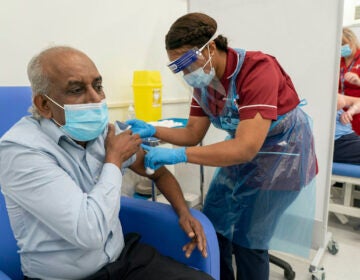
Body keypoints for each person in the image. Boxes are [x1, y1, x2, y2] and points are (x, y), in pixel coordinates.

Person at [126, 12, 317, 280]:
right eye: (178, 67)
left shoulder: (258, 69)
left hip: (281, 156)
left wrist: (178, 155)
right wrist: (152, 128)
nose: (186, 73)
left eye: (187, 62)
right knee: (215, 223)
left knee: (249, 239)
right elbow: (193, 133)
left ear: (211, 48)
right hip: (241, 152)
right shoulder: (203, 82)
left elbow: (246, 148)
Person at [0, 46, 214, 280]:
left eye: (98, 86)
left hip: (122, 260)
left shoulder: (103, 132)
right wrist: (113, 160)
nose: (95, 98)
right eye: (77, 89)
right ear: (44, 105)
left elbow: (157, 172)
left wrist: (183, 212)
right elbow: (89, 231)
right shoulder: (21, 151)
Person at [339, 27, 360, 135]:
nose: (342, 47)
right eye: (340, 44)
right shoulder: (338, 61)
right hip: (342, 111)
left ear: (352, 41)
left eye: (344, 43)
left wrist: (358, 81)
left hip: (357, 108)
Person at [334, 93, 360, 163]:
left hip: (349, 137)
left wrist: (351, 111)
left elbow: (358, 101)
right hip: (337, 142)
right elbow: (340, 102)